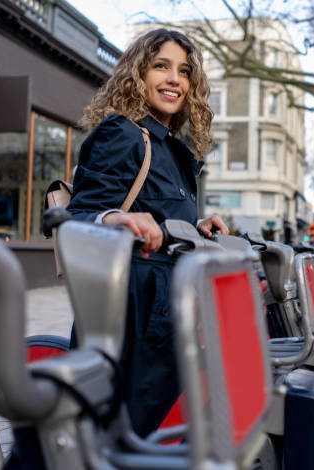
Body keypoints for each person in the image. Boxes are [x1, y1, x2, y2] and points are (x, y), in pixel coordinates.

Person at [66, 28, 228, 437]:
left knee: (141, 437)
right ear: (138, 73)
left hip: (167, 315)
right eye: (162, 66)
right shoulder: (122, 133)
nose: (175, 79)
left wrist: (198, 227)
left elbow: (159, 218)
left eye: (184, 71)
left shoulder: (175, 150)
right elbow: (79, 215)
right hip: (129, 320)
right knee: (113, 440)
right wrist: (113, 218)